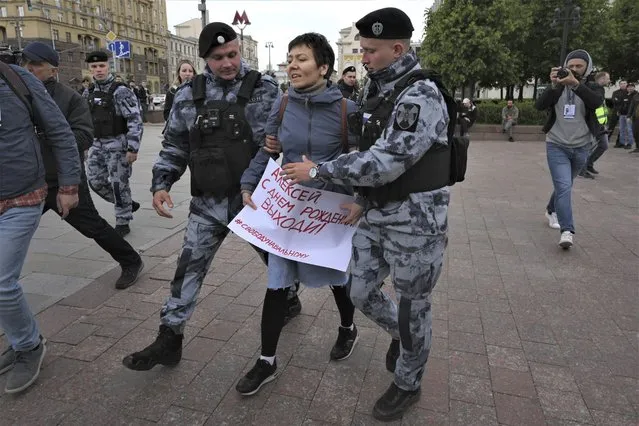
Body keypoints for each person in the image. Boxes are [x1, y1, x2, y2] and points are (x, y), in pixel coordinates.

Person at [281, 8, 450, 421]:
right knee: (359, 291)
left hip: (416, 222)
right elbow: (364, 149)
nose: (364, 56)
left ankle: (408, 382)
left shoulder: (420, 94)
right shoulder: (377, 90)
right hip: (376, 212)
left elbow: (387, 160)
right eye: (362, 48)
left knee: (414, 306)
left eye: (371, 50)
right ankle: (402, 337)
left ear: (397, 48)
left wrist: (319, 171)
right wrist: (358, 195)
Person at [121, 22, 279, 372]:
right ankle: (170, 337)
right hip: (207, 203)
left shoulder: (265, 89)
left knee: (278, 264)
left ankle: (288, 296)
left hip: (252, 202)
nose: (228, 63)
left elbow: (279, 142)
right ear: (204, 58)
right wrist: (161, 183)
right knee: (188, 268)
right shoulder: (188, 93)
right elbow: (175, 144)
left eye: (233, 54)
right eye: (219, 57)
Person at [236, 33, 360, 396]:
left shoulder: (346, 110)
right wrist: (248, 183)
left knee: (337, 277)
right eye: (290, 58)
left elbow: (358, 162)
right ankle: (266, 360)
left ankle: (347, 328)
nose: (292, 65)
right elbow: (268, 150)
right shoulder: (284, 103)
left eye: (302, 58)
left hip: (330, 210)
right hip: (289, 209)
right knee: (277, 281)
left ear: (324, 67)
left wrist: (350, 193)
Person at [21, 43, 144, 289]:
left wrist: (132, 147)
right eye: (26, 63)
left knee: (91, 225)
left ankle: (131, 260)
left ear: (52, 69)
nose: (28, 69)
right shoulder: (16, 92)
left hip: (62, 179)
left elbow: (84, 135)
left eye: (35, 65)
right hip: (27, 180)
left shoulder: (70, 98)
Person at [0, 56, 81, 394]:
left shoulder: (16, 79)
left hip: (22, 196)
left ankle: (29, 346)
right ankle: (21, 339)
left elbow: (60, 130)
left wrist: (68, 186)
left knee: (2, 282)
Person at [535, 49, 603, 248]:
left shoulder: (592, 88)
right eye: (571, 66)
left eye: (578, 66)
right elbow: (540, 105)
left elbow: (597, 103)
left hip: (582, 146)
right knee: (564, 186)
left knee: (565, 185)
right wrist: (554, 84)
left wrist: (575, 84)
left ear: (587, 68)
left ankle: (550, 209)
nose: (574, 69)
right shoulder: (558, 87)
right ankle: (567, 230)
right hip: (556, 145)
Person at [83, 50, 144, 237]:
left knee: (119, 184)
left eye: (101, 66)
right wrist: (85, 145)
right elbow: (84, 120)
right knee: (94, 181)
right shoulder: (89, 92)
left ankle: (123, 219)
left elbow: (135, 119)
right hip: (96, 144)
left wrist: (133, 148)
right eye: (94, 67)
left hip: (118, 144)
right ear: (90, 69)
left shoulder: (121, 90)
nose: (98, 70)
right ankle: (127, 203)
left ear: (108, 66)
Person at [580, 71, 610, 178]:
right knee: (589, 147)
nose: (609, 80)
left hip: (600, 123)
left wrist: (604, 123)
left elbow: (601, 108)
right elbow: (594, 107)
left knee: (603, 145)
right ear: (601, 79)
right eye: (608, 78)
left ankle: (588, 164)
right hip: (593, 123)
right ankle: (582, 169)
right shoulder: (594, 88)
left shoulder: (600, 89)